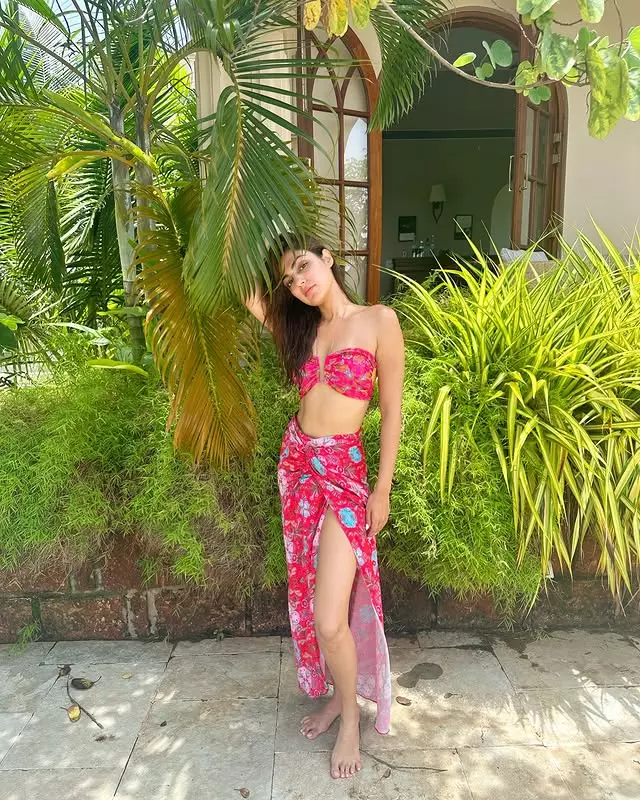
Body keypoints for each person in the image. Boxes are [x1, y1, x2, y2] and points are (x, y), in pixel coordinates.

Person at [245, 234, 404, 780]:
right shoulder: (299, 329)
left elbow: (391, 411)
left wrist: (382, 489)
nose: (301, 282)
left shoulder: (378, 320)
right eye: (290, 279)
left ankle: (351, 718)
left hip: (344, 473)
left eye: (304, 266)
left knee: (329, 617)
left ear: (328, 258)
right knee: (309, 591)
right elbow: (243, 284)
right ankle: (339, 696)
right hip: (298, 467)